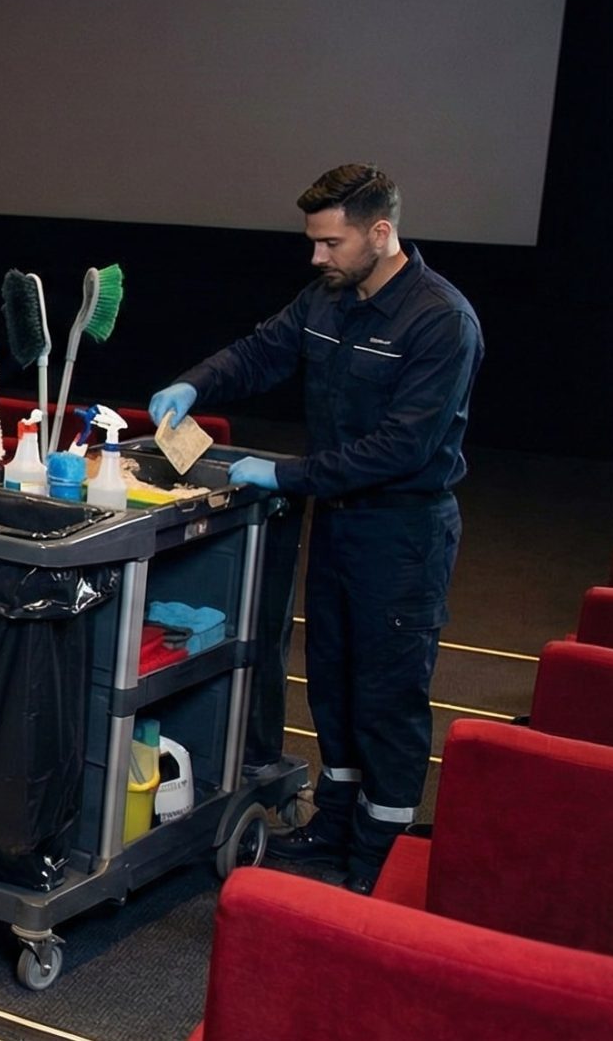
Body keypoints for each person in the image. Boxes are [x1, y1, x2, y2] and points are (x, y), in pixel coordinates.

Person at [149, 163, 482, 895]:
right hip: (336, 526)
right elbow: (260, 351)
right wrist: (194, 383)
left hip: (403, 535)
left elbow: (404, 447)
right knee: (331, 681)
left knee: (386, 696)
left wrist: (286, 476)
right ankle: (333, 826)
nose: (316, 257)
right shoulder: (326, 300)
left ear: (381, 232)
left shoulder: (440, 321)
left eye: (330, 243)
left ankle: (380, 856)